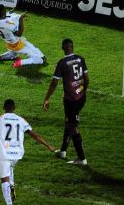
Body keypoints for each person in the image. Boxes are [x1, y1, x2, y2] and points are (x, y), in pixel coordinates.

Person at [0, 99, 55, 205]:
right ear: (14, 108)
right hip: (18, 154)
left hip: (4, 154)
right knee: (10, 167)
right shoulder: (21, 120)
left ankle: (9, 202)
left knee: (4, 181)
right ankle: (11, 185)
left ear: (4, 108)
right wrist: (48, 146)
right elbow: (34, 135)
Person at [43, 38, 89, 166]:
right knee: (68, 122)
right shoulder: (81, 59)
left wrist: (47, 98)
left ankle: (82, 158)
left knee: (73, 127)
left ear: (63, 48)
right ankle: (63, 150)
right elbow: (86, 78)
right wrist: (82, 90)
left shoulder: (62, 63)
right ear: (72, 47)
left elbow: (54, 83)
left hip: (71, 100)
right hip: (81, 97)